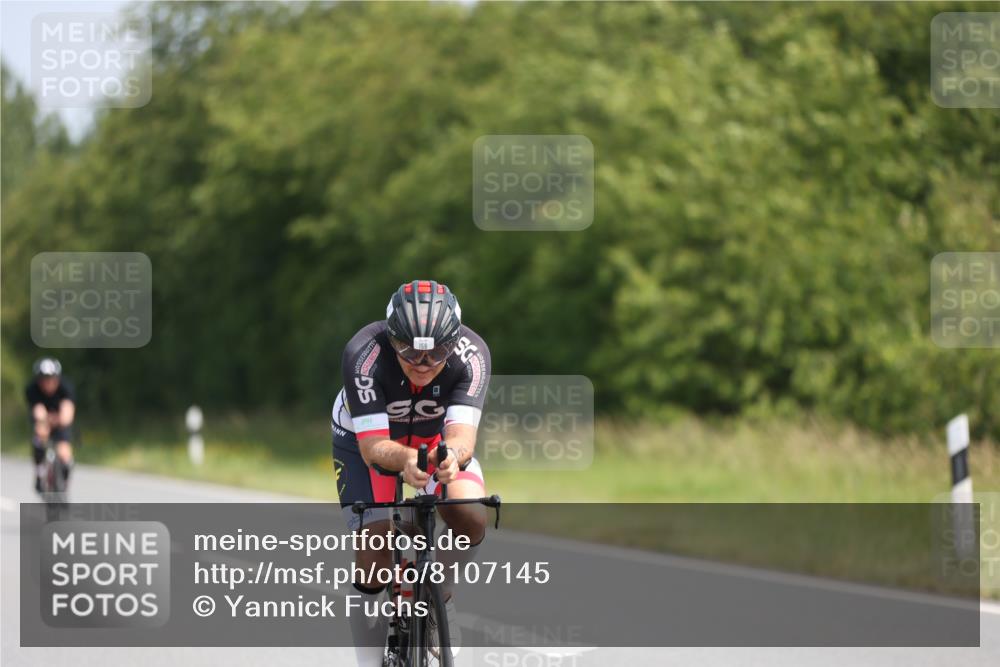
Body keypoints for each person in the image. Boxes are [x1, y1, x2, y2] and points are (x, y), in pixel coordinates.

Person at [332, 279, 490, 665]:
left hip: (435, 442)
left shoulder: (473, 356)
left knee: (470, 515)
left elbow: (461, 437)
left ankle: (442, 595)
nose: (422, 365)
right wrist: (403, 461)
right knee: (375, 549)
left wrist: (451, 456)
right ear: (391, 338)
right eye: (408, 351)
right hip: (365, 441)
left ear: (453, 343)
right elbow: (373, 449)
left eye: (436, 353)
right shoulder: (364, 353)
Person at [25, 357, 76, 493]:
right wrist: (44, 421)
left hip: (60, 422)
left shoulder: (65, 387)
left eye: (51, 379)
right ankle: (40, 472)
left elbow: (68, 411)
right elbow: (38, 410)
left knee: (65, 456)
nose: (47, 383)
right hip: (43, 420)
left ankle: (63, 486)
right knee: (40, 434)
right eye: (43, 379)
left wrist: (61, 419)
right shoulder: (32, 389)